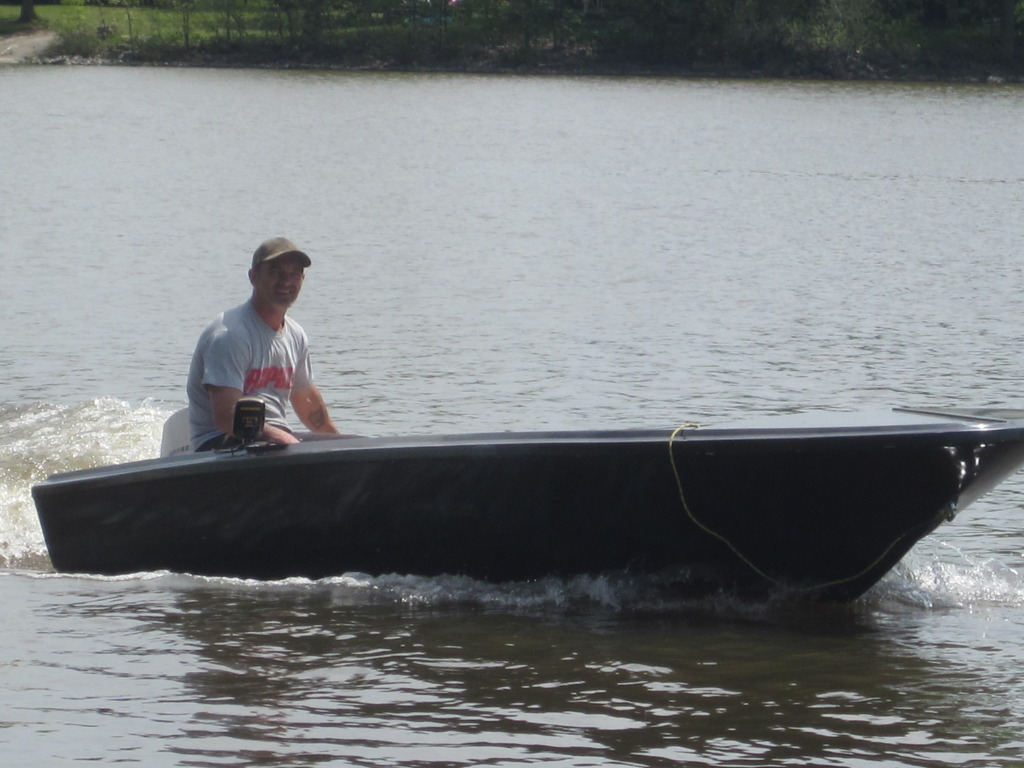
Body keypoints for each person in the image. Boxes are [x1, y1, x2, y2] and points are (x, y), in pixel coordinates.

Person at [187, 237, 339, 451]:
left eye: (294, 273)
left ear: (302, 279)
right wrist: (283, 439)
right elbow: (226, 417)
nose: (286, 281)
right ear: (253, 277)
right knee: (279, 447)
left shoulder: (296, 335)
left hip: (273, 441)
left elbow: (305, 398)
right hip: (219, 445)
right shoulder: (229, 336)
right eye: (275, 272)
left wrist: (342, 445)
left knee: (357, 444)